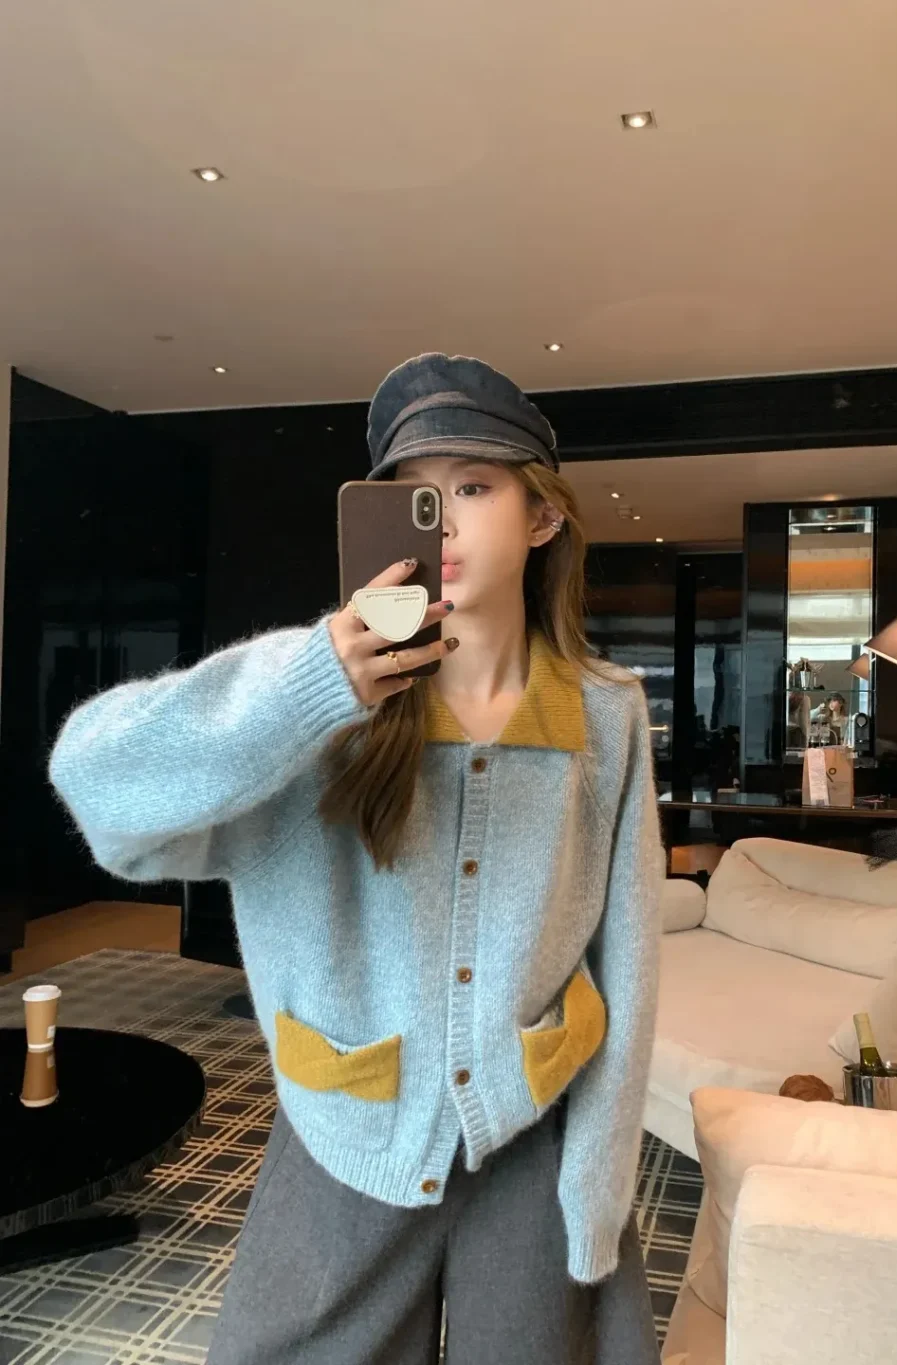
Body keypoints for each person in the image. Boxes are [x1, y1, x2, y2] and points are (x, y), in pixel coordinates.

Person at [47, 353, 665, 1365]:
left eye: (473, 488)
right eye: (413, 498)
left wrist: (599, 1179)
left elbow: (628, 955)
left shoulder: (606, 712)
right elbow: (96, 787)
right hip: (349, 1126)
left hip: (534, 1127)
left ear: (543, 516)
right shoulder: (310, 697)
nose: (444, 522)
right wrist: (310, 689)